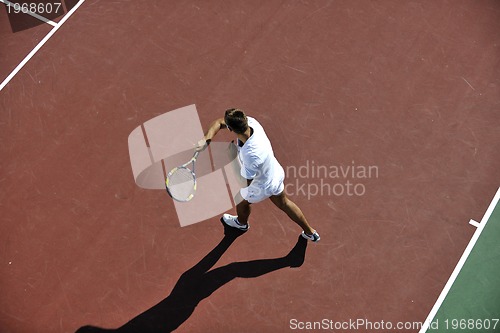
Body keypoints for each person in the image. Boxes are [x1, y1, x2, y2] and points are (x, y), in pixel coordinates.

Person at [196, 108, 320, 242]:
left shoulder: (251, 155)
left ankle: (241, 224)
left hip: (262, 185)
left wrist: (232, 158)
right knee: (284, 203)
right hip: (274, 173)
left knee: (241, 200)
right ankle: (310, 232)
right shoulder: (252, 122)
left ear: (231, 129)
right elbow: (219, 123)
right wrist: (206, 139)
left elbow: (244, 183)